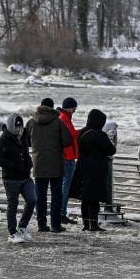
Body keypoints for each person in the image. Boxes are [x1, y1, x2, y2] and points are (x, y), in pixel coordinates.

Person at [25, 97, 73, 233]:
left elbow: (25, 140)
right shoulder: (58, 122)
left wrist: (36, 146)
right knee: (56, 196)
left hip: (38, 164)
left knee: (40, 196)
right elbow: (68, 141)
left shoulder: (31, 122)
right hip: (56, 164)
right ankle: (55, 225)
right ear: (52, 107)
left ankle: (41, 225)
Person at [0, 113, 37, 244]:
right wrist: (12, 165)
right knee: (13, 205)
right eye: (17, 126)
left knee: (32, 200)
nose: (19, 129)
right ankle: (12, 233)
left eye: (20, 126)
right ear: (11, 125)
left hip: (25, 177)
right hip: (11, 178)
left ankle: (22, 227)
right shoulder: (3, 139)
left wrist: (29, 164)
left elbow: (26, 153)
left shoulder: (22, 136)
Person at [69, 108, 115, 232]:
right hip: (96, 169)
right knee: (94, 198)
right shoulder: (100, 134)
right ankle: (94, 225)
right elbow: (111, 150)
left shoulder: (82, 132)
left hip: (82, 167)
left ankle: (86, 224)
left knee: (85, 197)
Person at [58, 96, 80, 227]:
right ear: (70, 108)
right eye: (74, 108)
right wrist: (85, 130)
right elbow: (71, 136)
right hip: (68, 157)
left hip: (68, 156)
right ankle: (62, 214)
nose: (75, 110)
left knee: (64, 186)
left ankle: (62, 213)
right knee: (65, 187)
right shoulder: (64, 119)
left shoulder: (64, 118)